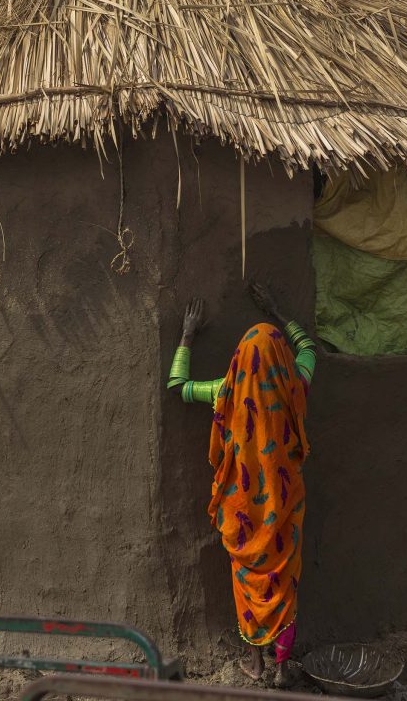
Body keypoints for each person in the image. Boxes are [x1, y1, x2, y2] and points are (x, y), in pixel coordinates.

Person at [167, 283, 316, 683]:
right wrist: (279, 313)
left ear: (240, 359)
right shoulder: (294, 387)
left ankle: (255, 663)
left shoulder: (227, 392)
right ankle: (283, 666)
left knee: (249, 582)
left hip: (244, 512)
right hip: (284, 509)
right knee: (283, 580)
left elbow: (178, 386)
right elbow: (308, 350)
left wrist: (187, 335)